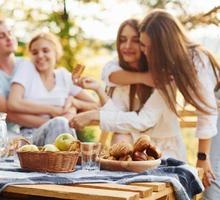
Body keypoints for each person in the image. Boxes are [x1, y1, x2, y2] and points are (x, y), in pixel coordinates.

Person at [73, 10, 219, 189]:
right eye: (143, 44)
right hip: (158, 141)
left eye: (141, 43)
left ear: (163, 45)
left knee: (213, 186)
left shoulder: (193, 62)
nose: (143, 50)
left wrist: (202, 158)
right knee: (121, 135)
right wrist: (100, 90)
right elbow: (109, 72)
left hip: (212, 110)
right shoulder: (138, 70)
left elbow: (207, 112)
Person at [71, 19, 187, 161]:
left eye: (135, 40)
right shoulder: (122, 75)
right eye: (122, 40)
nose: (127, 46)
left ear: (146, 43)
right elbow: (117, 117)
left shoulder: (164, 75)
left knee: (122, 134)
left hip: (164, 148)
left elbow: (143, 121)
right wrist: (99, 90)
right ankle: (122, 179)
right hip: (133, 143)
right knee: (120, 136)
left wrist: (96, 115)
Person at [8, 32, 98, 145]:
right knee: (60, 123)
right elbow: (13, 103)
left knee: (61, 125)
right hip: (30, 137)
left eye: (45, 50)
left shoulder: (64, 76)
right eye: (35, 52)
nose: (40, 55)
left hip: (62, 134)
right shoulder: (27, 68)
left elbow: (96, 106)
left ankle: (65, 160)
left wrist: (74, 103)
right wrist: (52, 110)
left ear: (56, 53)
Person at [0, 19, 49, 135]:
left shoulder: (28, 64)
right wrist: (51, 123)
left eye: (10, 33)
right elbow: (7, 112)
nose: (9, 38)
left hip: (31, 130)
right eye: (1, 36)